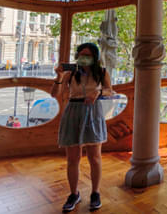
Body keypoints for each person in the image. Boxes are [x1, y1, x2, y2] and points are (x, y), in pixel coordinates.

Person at [51, 42, 112, 212]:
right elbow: (54, 94)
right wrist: (59, 76)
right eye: (81, 54)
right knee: (73, 158)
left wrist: (98, 92)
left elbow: (110, 90)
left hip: (93, 112)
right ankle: (74, 193)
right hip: (73, 112)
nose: (84, 58)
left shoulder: (102, 72)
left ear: (95, 57)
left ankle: (95, 192)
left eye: (88, 55)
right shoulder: (71, 73)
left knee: (95, 157)